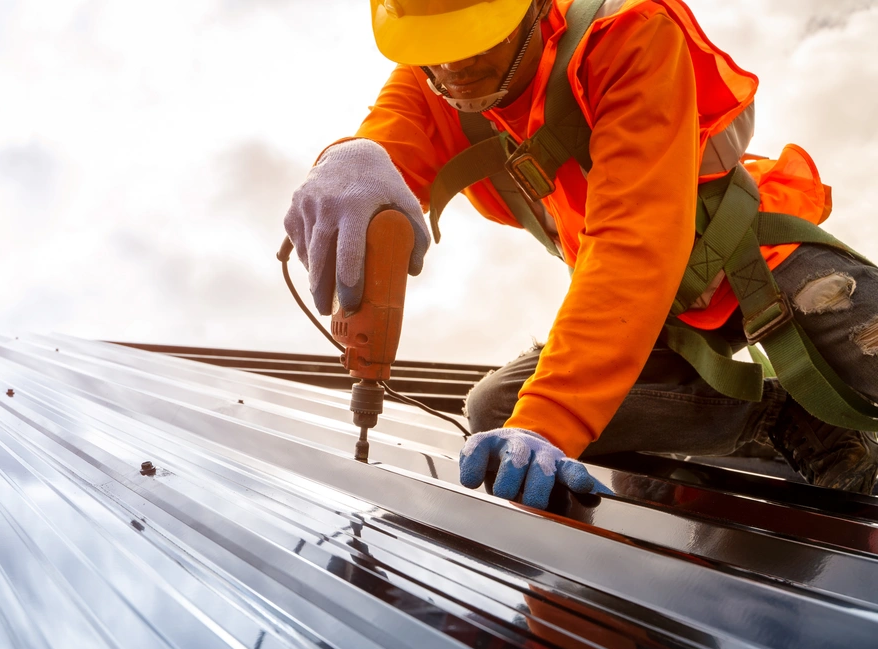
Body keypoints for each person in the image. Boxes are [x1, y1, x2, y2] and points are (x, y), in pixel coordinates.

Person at [284, 0, 878, 510]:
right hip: (648, 323)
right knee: (496, 409)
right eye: (435, 50)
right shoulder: (434, 80)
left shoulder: (626, 34)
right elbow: (389, 141)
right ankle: (782, 416)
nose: (453, 67)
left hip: (751, 264)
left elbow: (633, 241)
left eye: (474, 42)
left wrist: (552, 422)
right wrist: (351, 159)